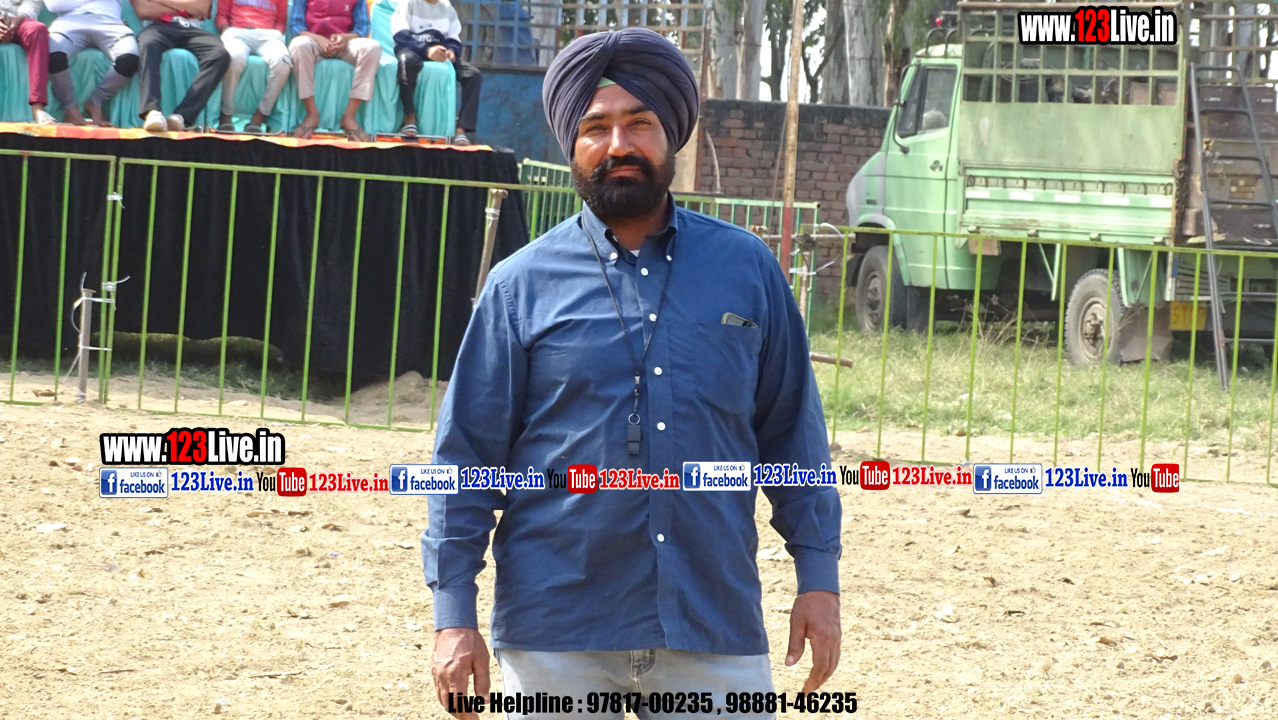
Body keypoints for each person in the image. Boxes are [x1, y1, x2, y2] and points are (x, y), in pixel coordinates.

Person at [423, 27, 842, 720]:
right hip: (556, 629)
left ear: (671, 135)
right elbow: (465, 458)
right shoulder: (519, 286)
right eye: (596, 128)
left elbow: (794, 439)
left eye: (639, 123)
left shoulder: (747, 271)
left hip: (711, 620)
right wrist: (452, 615)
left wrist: (818, 580)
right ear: (572, 145)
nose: (618, 144)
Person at [132, 0, 231, 132]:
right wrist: (185, 7)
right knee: (148, 44)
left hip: (191, 29)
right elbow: (143, 10)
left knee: (219, 54)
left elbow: (201, 8)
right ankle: (152, 112)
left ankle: (181, 117)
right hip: (158, 27)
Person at [390, 0, 480, 144]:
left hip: (440, 53)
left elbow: (454, 39)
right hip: (413, 50)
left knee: (473, 75)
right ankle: (409, 118)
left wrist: (451, 51)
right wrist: (426, 50)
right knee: (405, 62)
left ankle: (461, 131)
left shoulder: (447, 7)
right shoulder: (409, 3)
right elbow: (401, 36)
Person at [287, 0, 379, 142]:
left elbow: (363, 27)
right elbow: (296, 25)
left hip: (346, 44)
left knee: (372, 48)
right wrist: (318, 39)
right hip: (314, 41)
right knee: (299, 45)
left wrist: (345, 38)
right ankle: (311, 114)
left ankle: (349, 116)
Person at [42, 0, 140, 126]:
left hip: (110, 22)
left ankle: (95, 101)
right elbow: (54, 5)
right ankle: (70, 107)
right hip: (69, 22)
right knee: (54, 54)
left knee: (130, 58)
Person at [215, 0, 290, 133]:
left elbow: (281, 21)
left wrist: (277, 32)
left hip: (268, 35)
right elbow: (221, 16)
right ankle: (226, 114)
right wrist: (226, 29)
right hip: (238, 32)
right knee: (233, 57)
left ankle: (260, 116)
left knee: (283, 62)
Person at [0, 0, 54, 124]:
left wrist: (20, 17)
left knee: (37, 30)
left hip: (17, 20)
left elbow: (32, 2)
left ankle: (38, 108)